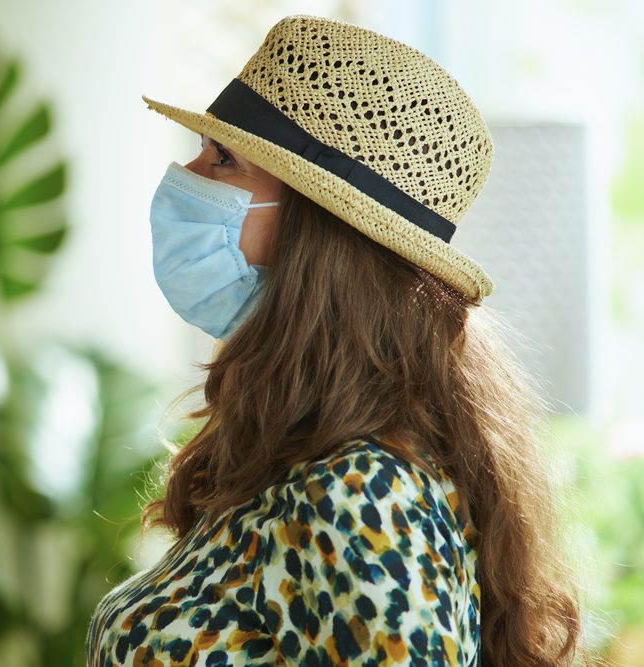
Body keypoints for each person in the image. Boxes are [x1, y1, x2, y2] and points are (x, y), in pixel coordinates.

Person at [85, 14, 587, 667]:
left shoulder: (366, 490)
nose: (189, 171)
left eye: (223, 158)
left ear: (316, 229)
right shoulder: (294, 455)